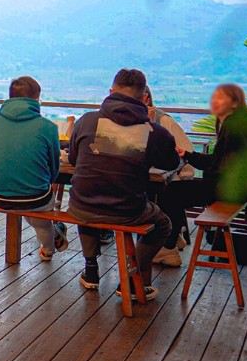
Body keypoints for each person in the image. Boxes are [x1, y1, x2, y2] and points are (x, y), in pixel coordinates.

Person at [67, 68, 179, 301]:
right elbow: (171, 163)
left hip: (81, 206)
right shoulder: (154, 132)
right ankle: (131, 277)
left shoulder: (86, 121)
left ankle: (90, 269)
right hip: (127, 209)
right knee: (163, 224)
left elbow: (73, 159)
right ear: (145, 98)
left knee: (88, 196)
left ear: (111, 92)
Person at [154, 83, 247, 266]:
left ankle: (168, 245)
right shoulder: (238, 122)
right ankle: (172, 238)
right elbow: (219, 160)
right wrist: (188, 155)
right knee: (176, 190)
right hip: (238, 188)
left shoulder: (232, 126)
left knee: (173, 191)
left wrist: (204, 177)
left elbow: (221, 166)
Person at [0, 76, 68, 262]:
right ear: (36, 100)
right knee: (36, 204)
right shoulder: (48, 127)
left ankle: (54, 237)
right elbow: (54, 167)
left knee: (30, 200)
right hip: (36, 197)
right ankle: (49, 248)